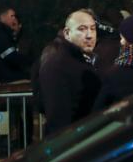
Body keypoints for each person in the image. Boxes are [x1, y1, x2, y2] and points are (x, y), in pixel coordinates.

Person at [37, 9, 101, 137]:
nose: (89, 35)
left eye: (93, 29)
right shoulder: (58, 62)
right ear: (67, 33)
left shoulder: (77, 57)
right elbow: (57, 115)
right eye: (82, 29)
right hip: (71, 143)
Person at [0, 7, 31, 83]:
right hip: (5, 78)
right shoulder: (0, 35)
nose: (14, 18)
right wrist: (31, 62)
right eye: (12, 16)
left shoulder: (1, 33)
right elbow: (11, 56)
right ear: (2, 18)